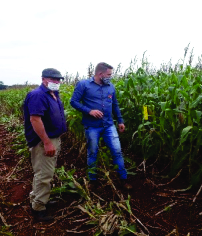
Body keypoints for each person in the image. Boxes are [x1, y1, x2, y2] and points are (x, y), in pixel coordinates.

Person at [70, 62, 132, 190]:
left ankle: (123, 180)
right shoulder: (84, 85)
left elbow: (114, 105)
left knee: (117, 152)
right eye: (109, 74)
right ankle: (93, 181)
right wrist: (89, 111)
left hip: (109, 125)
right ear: (100, 73)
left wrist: (120, 121)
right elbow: (74, 102)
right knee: (92, 153)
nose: (110, 77)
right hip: (92, 126)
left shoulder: (110, 87)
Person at [23, 68, 67, 222]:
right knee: (44, 175)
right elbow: (35, 120)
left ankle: (38, 199)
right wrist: (47, 142)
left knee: (42, 172)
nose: (57, 82)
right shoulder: (38, 95)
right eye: (53, 79)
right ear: (43, 79)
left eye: (58, 80)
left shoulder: (53, 94)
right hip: (43, 141)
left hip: (52, 138)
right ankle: (39, 209)